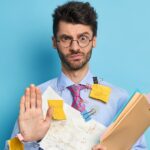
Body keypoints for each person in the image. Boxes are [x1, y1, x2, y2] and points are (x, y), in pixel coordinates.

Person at [5, 1, 147, 150]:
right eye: (66, 38)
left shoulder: (120, 99)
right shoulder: (36, 98)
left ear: (94, 41)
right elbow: (11, 147)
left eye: (83, 38)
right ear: (54, 42)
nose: (75, 47)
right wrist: (29, 140)